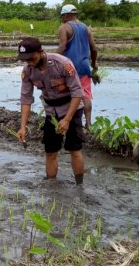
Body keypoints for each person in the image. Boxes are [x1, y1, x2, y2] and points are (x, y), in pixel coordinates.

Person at [16, 37, 86, 185]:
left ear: (41, 52)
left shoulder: (62, 64)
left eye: (31, 57)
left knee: (74, 148)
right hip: (51, 112)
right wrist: (23, 126)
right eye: (25, 59)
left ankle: (80, 185)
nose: (29, 61)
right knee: (50, 150)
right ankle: (51, 185)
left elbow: (77, 93)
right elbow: (26, 99)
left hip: (71, 109)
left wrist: (67, 119)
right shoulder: (28, 71)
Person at [55, 4, 98, 129]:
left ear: (67, 15)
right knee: (85, 95)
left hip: (69, 66)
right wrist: (94, 64)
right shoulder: (86, 28)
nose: (62, 18)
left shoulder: (64, 28)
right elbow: (94, 48)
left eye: (63, 16)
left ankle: (68, 120)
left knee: (68, 94)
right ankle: (89, 123)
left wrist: (50, 58)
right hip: (84, 66)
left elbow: (62, 47)